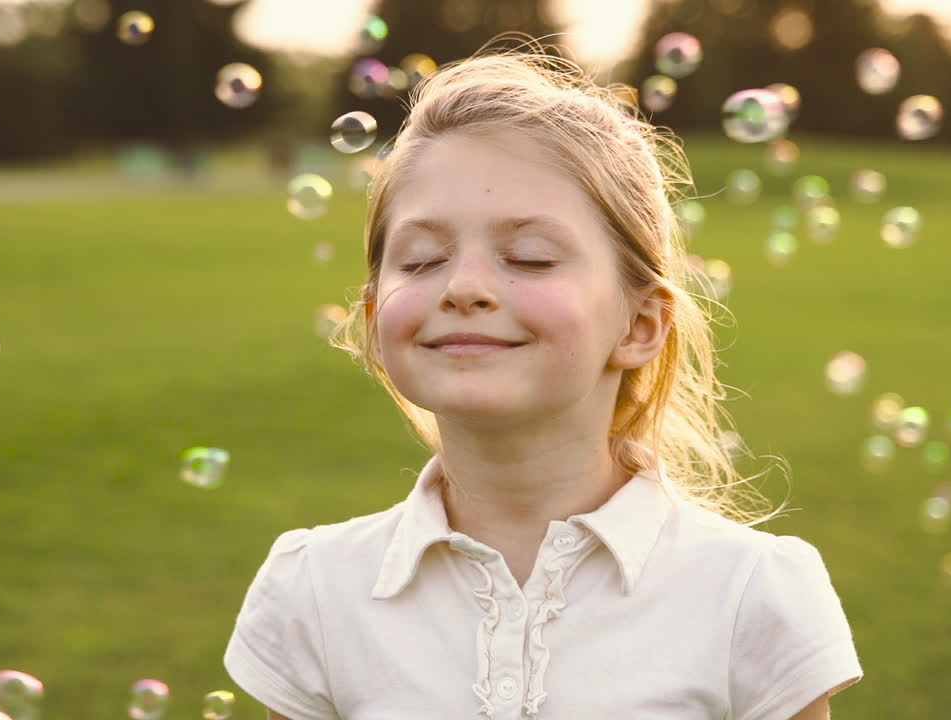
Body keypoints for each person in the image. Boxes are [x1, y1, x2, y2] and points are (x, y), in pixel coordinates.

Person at [223, 45, 862, 720]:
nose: (464, 287)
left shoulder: (750, 594)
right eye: (423, 258)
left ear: (640, 325)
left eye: (529, 258)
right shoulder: (315, 591)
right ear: (376, 316)